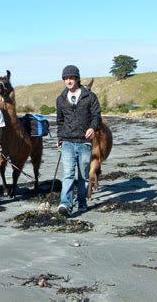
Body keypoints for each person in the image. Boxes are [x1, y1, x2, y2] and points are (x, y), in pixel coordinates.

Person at [56, 65, 101, 217]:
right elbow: (60, 121)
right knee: (68, 174)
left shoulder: (90, 96)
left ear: (77, 79)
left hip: (84, 142)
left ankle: (82, 202)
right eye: (66, 78)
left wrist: (93, 128)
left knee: (83, 176)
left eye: (71, 78)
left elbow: (96, 116)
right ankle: (65, 204)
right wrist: (60, 138)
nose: (68, 81)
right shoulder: (61, 99)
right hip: (67, 142)